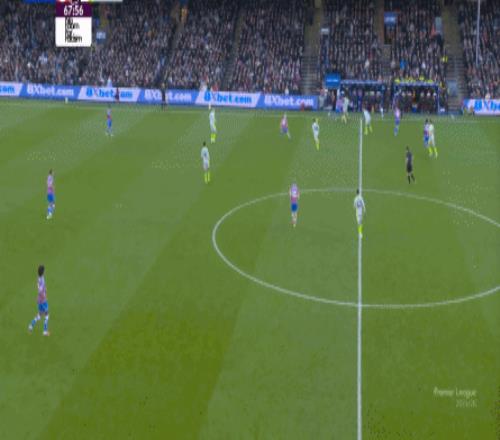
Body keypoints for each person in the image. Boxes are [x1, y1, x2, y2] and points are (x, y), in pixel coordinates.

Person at [28, 265, 50, 336]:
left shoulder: (39, 278)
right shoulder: (42, 280)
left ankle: (31, 325)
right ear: (43, 271)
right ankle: (45, 331)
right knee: (47, 314)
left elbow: (41, 288)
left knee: (40, 314)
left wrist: (45, 289)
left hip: (39, 300)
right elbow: (40, 291)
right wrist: (44, 296)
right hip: (43, 300)